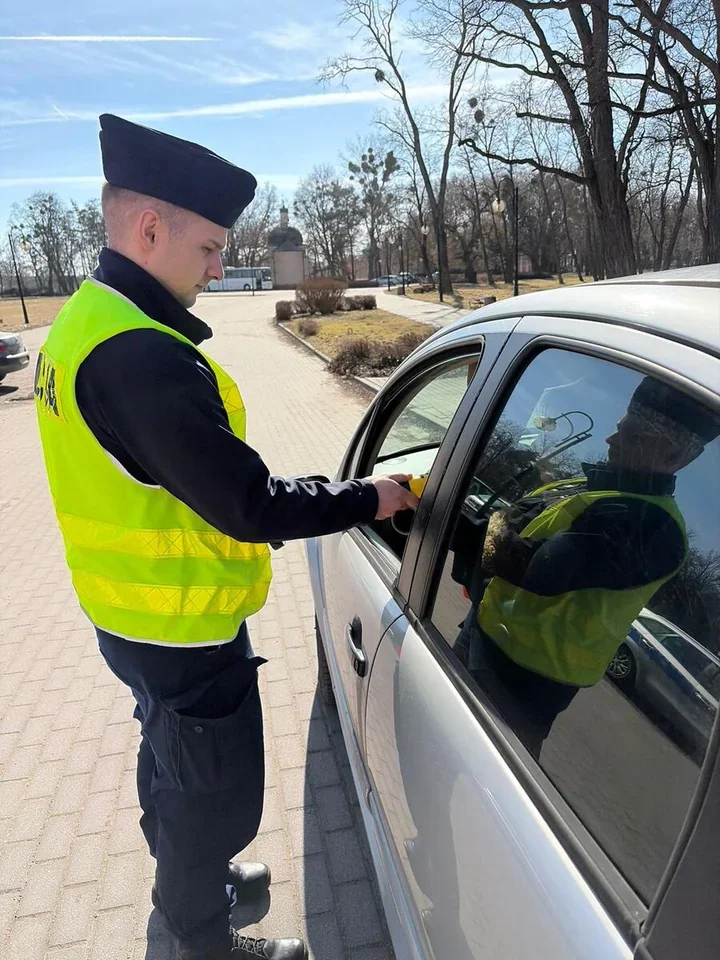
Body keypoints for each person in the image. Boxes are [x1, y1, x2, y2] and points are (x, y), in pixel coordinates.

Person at [33, 114, 418, 960]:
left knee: (173, 765)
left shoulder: (83, 322)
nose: (218, 267)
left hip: (128, 616)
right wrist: (373, 496)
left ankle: (190, 881)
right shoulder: (142, 357)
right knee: (213, 799)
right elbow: (250, 504)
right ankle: (199, 934)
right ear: (148, 227)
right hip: (182, 631)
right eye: (209, 248)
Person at [454, 376, 720, 758]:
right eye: (618, 428)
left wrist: (447, 517)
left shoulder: (652, 526)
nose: (611, 441)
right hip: (484, 634)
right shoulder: (596, 487)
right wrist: (500, 527)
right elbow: (515, 518)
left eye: (630, 435)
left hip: (518, 683)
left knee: (479, 777)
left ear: (674, 455)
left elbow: (534, 567)